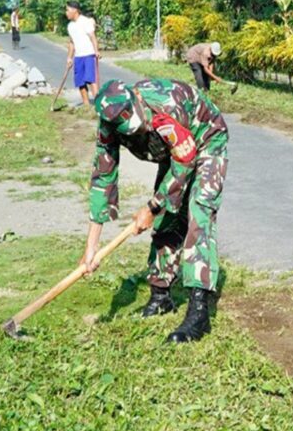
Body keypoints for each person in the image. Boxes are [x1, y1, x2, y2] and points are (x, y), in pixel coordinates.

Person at [82, 78, 230, 342]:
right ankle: (161, 296)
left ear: (136, 97)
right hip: (172, 152)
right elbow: (103, 179)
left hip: (206, 139)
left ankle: (199, 312)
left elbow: (186, 161)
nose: (131, 131)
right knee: (167, 216)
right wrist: (91, 247)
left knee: (198, 212)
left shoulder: (164, 107)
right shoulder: (109, 124)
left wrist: (152, 206)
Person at [64, 1, 100, 106]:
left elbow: (93, 37)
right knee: (80, 81)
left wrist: (96, 51)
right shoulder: (70, 26)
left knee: (91, 79)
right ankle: (86, 105)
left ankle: (98, 104)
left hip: (89, 54)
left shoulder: (85, 21)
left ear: (75, 10)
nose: (66, 13)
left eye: (67, 10)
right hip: (78, 57)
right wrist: (69, 58)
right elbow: (71, 43)